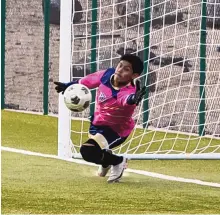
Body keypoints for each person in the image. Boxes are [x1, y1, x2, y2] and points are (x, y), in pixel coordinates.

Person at [54, 54, 146, 183]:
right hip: (97, 123)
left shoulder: (130, 93)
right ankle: (106, 161)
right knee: (94, 151)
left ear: (134, 75)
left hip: (116, 130)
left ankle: (118, 161)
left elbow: (126, 101)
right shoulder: (107, 75)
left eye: (126, 69)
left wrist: (133, 99)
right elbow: (86, 82)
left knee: (87, 151)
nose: (120, 70)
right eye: (120, 65)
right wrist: (68, 85)